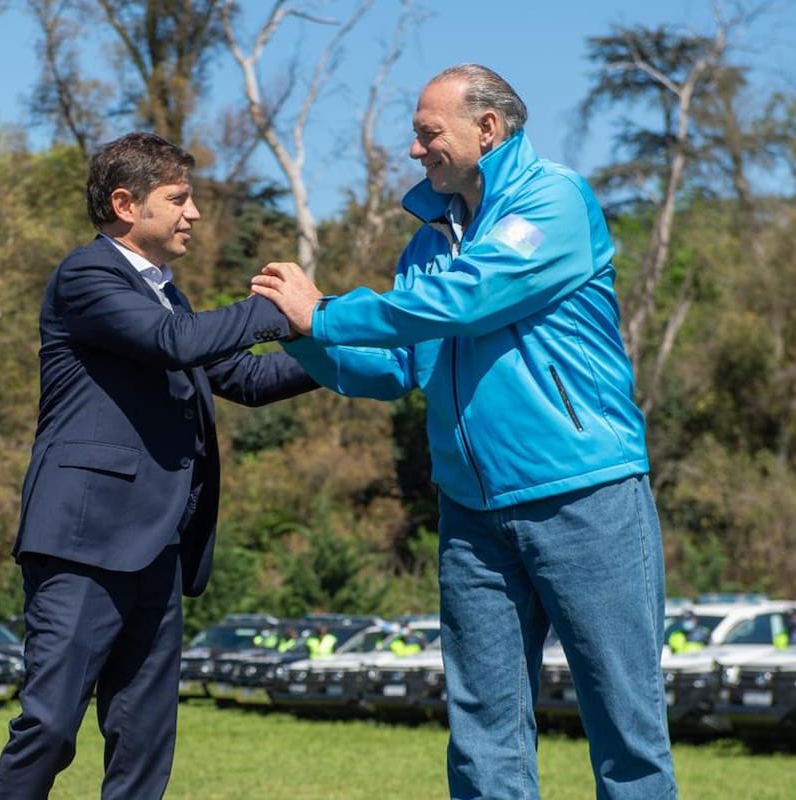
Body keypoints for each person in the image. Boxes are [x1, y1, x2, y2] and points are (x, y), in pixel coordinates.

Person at [251, 63, 677, 798]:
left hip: (587, 499)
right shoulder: (428, 243)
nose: (415, 151)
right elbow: (397, 369)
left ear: (488, 128)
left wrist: (322, 310)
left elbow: (467, 300)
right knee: (482, 741)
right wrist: (301, 337)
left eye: (427, 133)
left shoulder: (555, 200)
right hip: (472, 518)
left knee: (626, 732)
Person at [0, 132, 317, 800]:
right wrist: (277, 309)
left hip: (160, 548)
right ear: (125, 205)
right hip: (83, 545)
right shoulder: (87, 276)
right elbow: (175, 345)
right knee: (51, 727)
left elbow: (245, 381)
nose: (194, 213)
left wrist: (347, 346)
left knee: (143, 745)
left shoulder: (170, 296)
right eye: (179, 198)